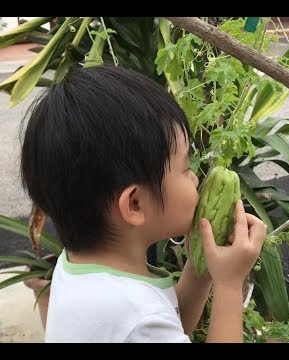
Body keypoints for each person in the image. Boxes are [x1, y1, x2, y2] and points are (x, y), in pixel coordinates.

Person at [20, 65, 266, 343]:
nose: (197, 179)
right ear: (135, 204)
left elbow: (173, 325)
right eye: (185, 169)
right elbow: (150, 324)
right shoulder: (137, 315)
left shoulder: (79, 268)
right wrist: (230, 285)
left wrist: (200, 271)